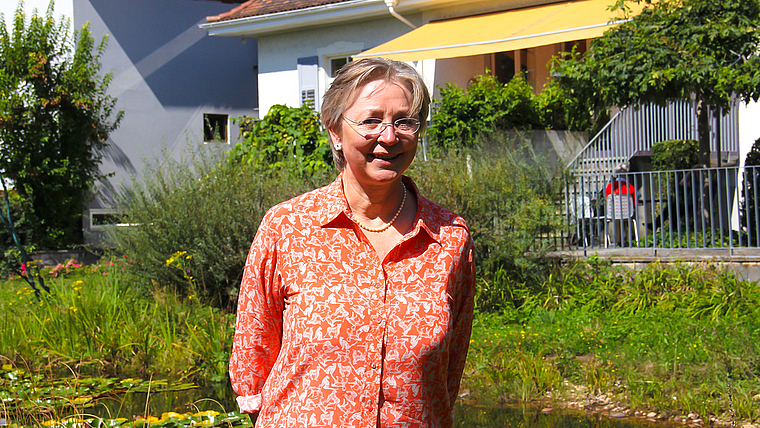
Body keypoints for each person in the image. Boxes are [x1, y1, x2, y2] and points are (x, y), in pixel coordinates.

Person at [229, 57, 476, 427]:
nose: (389, 136)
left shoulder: (450, 237)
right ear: (334, 131)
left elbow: (448, 369)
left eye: (404, 121)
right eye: (371, 120)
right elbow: (254, 352)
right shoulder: (287, 227)